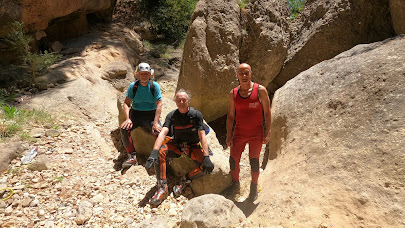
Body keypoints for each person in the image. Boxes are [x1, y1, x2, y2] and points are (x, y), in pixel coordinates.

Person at [145, 89, 214, 206]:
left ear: (188, 101)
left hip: (193, 146)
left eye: (184, 100)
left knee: (207, 167)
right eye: (179, 100)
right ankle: (162, 188)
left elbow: (202, 136)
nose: (181, 102)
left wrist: (206, 156)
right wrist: (154, 152)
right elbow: (163, 133)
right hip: (177, 145)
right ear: (176, 102)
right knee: (161, 151)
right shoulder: (172, 116)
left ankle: (184, 179)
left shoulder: (196, 115)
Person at [226, 63, 271, 201]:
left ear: (251, 73)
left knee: (254, 162)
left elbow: (267, 113)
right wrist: (229, 135)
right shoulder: (233, 93)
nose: (244, 76)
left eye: (246, 73)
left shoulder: (260, 90)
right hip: (239, 133)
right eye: (241, 73)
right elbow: (230, 116)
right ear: (237, 75)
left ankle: (253, 187)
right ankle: (236, 184)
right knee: (233, 161)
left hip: (256, 133)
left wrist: (267, 132)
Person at [120, 62, 163, 168]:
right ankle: (131, 156)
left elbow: (159, 104)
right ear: (137, 74)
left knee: (159, 133)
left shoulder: (154, 86)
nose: (144, 76)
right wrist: (127, 119)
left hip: (151, 114)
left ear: (150, 75)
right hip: (136, 113)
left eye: (146, 74)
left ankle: (158, 157)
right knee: (124, 129)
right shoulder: (133, 86)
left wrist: (156, 122)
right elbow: (126, 103)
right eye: (142, 73)